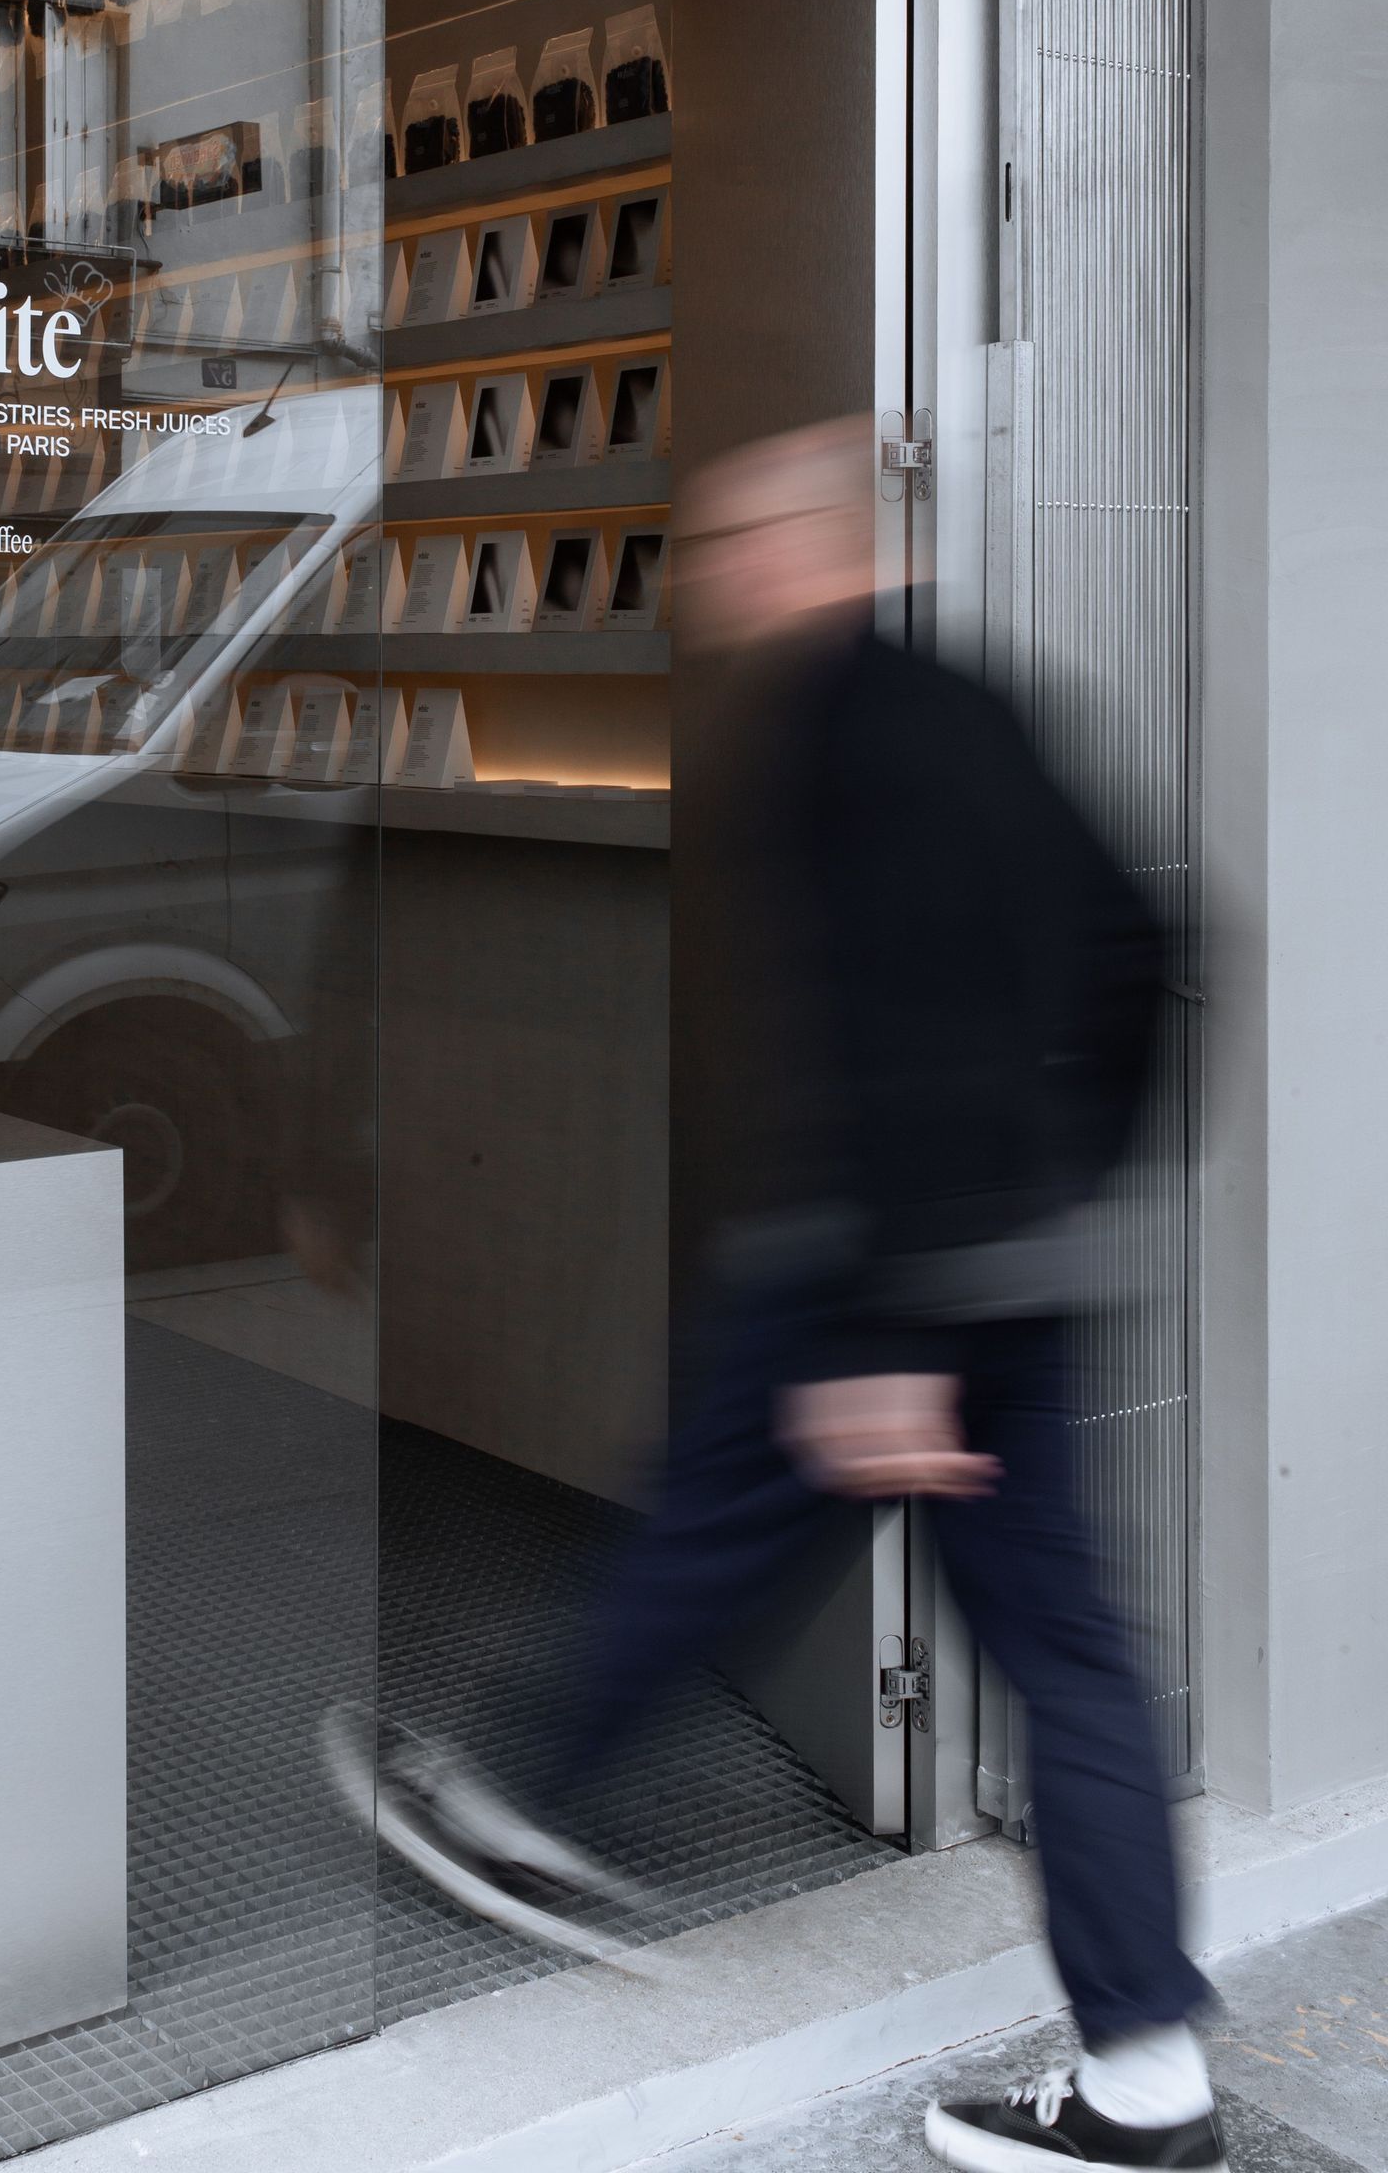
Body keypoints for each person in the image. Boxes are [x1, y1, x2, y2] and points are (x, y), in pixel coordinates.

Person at [325, 416, 1224, 2173]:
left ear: (818, 546)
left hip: (883, 1279)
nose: (718, 581)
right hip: (993, 1263)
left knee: (735, 1532)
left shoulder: (843, 722)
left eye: (737, 543)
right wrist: (1073, 1190)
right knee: (1005, 1632)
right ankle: (1147, 2066)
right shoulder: (977, 702)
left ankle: (517, 1800)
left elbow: (896, 1037)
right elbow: (1147, 947)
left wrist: (900, 1336)